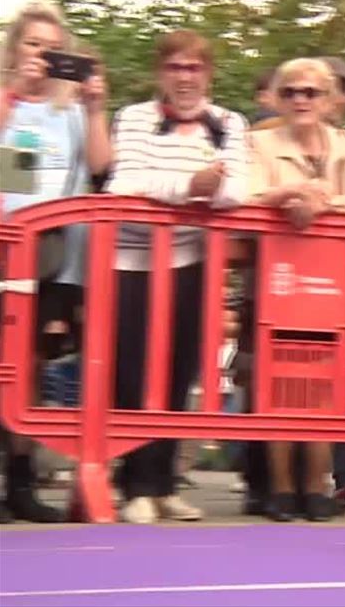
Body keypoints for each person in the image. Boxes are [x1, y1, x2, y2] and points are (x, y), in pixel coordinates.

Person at [105, 28, 250, 524]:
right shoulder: (132, 118)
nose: (185, 77)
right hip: (130, 261)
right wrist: (191, 186)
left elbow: (238, 191)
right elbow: (124, 183)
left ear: (207, 73)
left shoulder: (229, 122)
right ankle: (134, 485)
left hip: (192, 263)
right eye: (175, 67)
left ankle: (164, 484)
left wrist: (201, 191)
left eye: (194, 67)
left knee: (178, 372)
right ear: (160, 73)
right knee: (131, 372)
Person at [246, 56, 345, 522]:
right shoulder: (257, 142)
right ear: (276, 98)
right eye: (290, 92)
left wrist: (324, 200)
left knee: (328, 385)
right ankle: (283, 490)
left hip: (335, 283)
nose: (301, 100)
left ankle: (317, 486)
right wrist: (289, 195)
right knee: (277, 382)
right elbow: (246, 195)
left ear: (330, 100)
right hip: (277, 279)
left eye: (311, 92)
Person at [0, 0, 112, 524]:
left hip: (49, 255)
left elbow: (99, 168)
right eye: (32, 43)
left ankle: (20, 482)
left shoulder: (67, 111)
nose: (42, 54)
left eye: (51, 47)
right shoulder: (6, 101)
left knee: (29, 371)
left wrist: (94, 108)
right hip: (4, 243)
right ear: (15, 48)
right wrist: (14, 94)